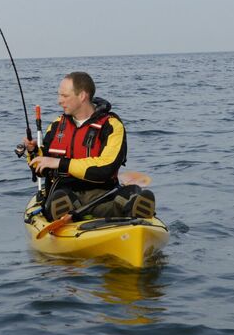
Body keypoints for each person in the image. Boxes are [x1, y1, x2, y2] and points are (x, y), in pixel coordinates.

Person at [23, 71, 155, 222]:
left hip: (103, 195)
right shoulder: (56, 125)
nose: (59, 101)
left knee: (130, 193)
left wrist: (60, 163)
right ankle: (64, 214)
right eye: (59, 95)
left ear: (82, 96)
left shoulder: (111, 125)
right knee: (60, 198)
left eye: (65, 96)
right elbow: (40, 171)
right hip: (66, 195)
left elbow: (106, 168)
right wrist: (33, 152)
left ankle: (134, 208)